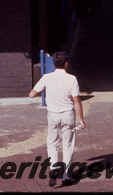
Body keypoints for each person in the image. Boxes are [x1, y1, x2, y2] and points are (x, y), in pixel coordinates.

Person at [29, 51, 86, 186]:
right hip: (68, 115)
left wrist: (49, 93)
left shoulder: (47, 77)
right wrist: (81, 119)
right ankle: (66, 176)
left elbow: (32, 94)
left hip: (53, 114)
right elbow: (77, 101)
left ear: (54, 63)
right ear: (66, 64)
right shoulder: (71, 79)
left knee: (52, 143)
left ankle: (54, 168)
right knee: (68, 144)